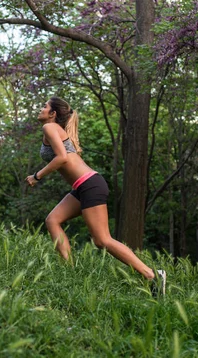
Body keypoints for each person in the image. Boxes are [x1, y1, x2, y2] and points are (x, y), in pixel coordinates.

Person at [25, 97, 166, 296]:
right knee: (53, 220)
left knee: (102, 240)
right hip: (83, 186)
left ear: (53, 114)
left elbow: (62, 158)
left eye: (44, 106)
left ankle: (152, 275)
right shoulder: (54, 130)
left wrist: (37, 176)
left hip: (90, 185)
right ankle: (69, 272)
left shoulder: (50, 128)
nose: (41, 108)